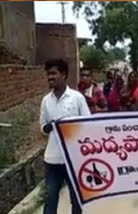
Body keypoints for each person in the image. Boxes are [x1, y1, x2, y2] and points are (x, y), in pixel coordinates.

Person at [40, 59, 91, 214]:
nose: (50, 77)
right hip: (52, 160)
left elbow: (88, 124)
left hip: (74, 159)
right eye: (48, 74)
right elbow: (42, 127)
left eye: (54, 73)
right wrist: (49, 127)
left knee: (76, 198)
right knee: (50, 197)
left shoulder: (77, 98)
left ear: (64, 75)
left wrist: (72, 127)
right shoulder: (46, 101)